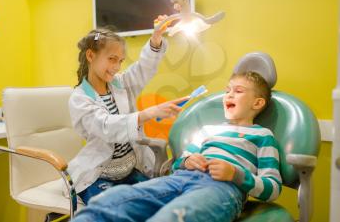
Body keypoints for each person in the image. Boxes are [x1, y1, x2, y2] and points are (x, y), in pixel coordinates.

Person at [70, 71, 282, 222]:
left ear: (257, 103)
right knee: (111, 202)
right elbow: (179, 163)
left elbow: (272, 187)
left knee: (173, 216)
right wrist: (188, 161)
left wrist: (236, 174)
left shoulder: (263, 136)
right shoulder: (207, 130)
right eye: (228, 90)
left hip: (221, 189)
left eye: (238, 91)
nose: (229, 95)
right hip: (177, 180)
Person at [67, 15, 189, 205]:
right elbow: (107, 127)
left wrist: (156, 38)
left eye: (120, 61)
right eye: (111, 59)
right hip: (98, 177)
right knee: (115, 209)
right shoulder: (79, 99)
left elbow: (143, 69)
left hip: (130, 172)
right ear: (91, 56)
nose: (116, 67)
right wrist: (149, 113)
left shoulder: (120, 84)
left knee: (160, 200)